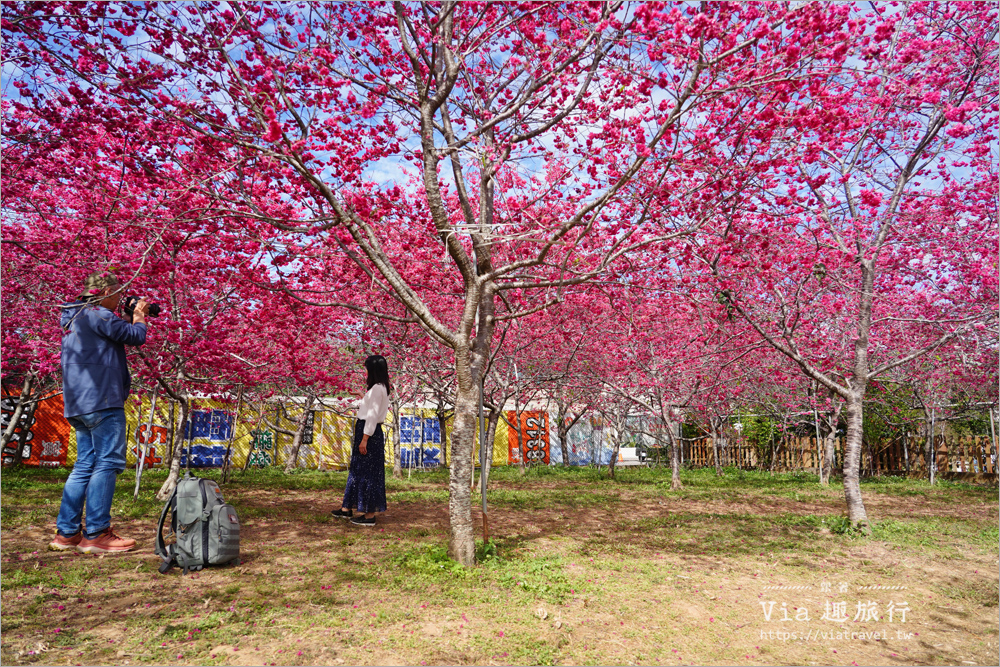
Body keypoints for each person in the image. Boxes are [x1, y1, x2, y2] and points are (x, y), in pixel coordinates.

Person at [48, 271, 150, 553]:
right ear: (104, 292)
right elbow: (136, 337)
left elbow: (113, 335)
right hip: (103, 400)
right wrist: (139, 315)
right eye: (117, 293)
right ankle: (96, 533)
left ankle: (66, 533)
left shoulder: (74, 318)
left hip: (78, 403)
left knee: (84, 465)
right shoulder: (99, 315)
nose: (120, 300)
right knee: (107, 463)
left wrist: (126, 318)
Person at [331, 355, 391, 527]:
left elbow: (372, 416)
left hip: (368, 433)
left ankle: (369, 515)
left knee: (368, 474)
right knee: (358, 470)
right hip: (367, 431)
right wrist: (362, 396)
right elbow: (370, 408)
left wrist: (365, 439)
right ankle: (346, 508)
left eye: (366, 368)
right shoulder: (379, 388)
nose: (365, 371)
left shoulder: (378, 389)